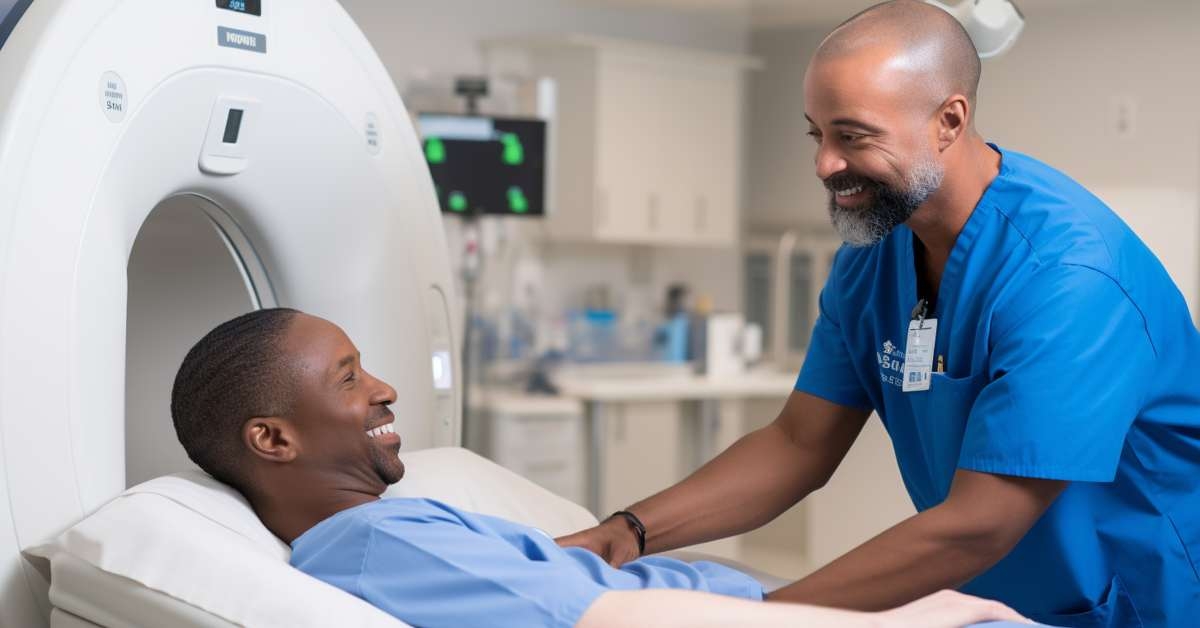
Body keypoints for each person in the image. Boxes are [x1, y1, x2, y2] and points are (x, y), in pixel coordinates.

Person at [558, 2, 1200, 627]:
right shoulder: (873, 257)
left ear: (949, 121)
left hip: (1144, 601)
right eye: (817, 134)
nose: (824, 164)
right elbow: (798, 443)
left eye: (853, 136)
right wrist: (631, 531)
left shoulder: (1068, 280)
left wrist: (761, 620)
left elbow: (980, 525)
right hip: (990, 600)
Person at [169, 308, 1026, 628]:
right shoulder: (376, 544)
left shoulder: (391, 527)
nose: (385, 389)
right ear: (273, 440)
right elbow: (614, 622)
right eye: (350, 378)